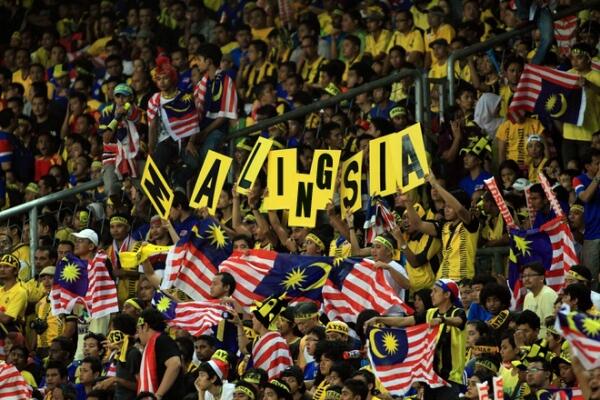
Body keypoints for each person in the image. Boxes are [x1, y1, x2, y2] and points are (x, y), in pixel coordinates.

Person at [365, 279, 466, 399]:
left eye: (435, 291)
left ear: (447, 294)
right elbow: (404, 321)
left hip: (450, 379)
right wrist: (379, 319)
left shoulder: (458, 312)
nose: (431, 294)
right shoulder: (430, 313)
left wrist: (442, 320)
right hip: (431, 378)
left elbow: (459, 321)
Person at [136, 308, 184, 399]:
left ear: (145, 326)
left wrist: (158, 394)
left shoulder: (162, 340)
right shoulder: (156, 342)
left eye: (138, 329)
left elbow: (175, 364)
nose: (138, 334)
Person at [521, 262, 557, 338]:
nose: (526, 279)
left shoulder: (547, 294)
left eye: (530, 275)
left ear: (541, 278)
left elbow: (552, 326)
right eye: (524, 276)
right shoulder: (528, 296)